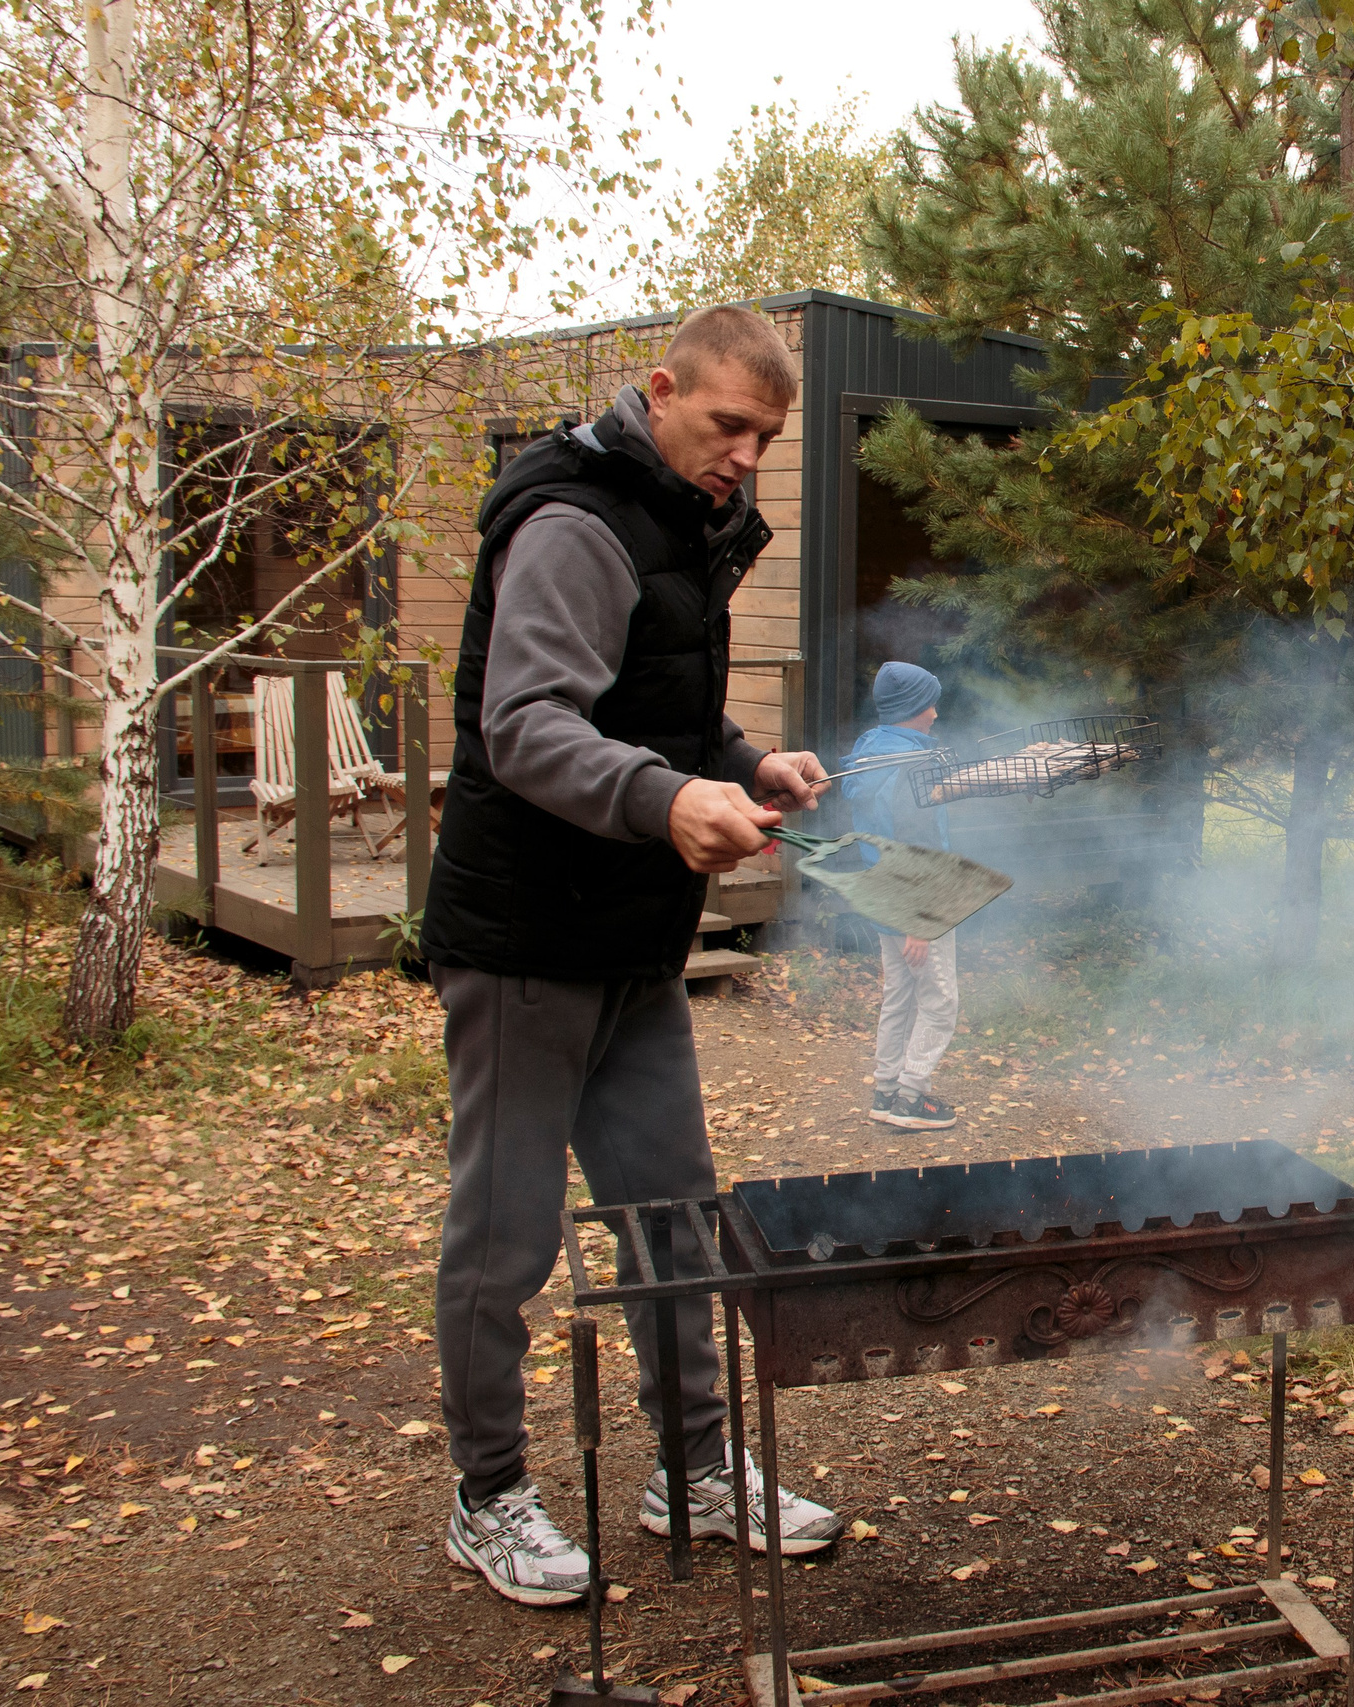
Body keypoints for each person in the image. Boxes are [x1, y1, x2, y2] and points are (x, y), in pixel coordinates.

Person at [420, 306, 846, 1608]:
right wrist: (666, 802)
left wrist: (743, 762)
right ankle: (488, 1494)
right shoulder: (573, 521)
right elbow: (528, 726)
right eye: (729, 426)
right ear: (660, 391)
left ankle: (695, 1470)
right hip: (525, 938)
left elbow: (651, 699)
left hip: (630, 937)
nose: (747, 457)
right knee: (506, 1235)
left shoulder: (682, 518)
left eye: (766, 438)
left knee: (674, 1219)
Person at [841, 661, 962, 1132]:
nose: (935, 714)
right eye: (930, 704)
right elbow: (919, 846)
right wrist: (922, 921)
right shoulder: (914, 767)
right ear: (914, 708)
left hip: (883, 895)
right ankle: (911, 1097)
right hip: (917, 902)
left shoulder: (872, 751)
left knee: (899, 997)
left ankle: (886, 1090)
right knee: (939, 1001)